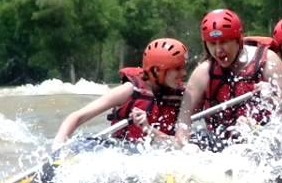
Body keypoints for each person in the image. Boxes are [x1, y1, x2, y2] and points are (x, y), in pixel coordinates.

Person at [175, 8, 282, 146]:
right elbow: (183, 124)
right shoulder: (202, 74)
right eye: (213, 44)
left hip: (265, 141)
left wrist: (274, 98)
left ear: (238, 40)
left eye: (224, 42)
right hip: (220, 147)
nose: (218, 50)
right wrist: (187, 148)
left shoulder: (268, 61)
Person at [52, 38, 188, 148]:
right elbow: (76, 117)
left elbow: (179, 145)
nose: (184, 73)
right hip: (122, 152)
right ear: (157, 71)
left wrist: (147, 128)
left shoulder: (182, 96)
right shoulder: (129, 90)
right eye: (177, 69)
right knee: (84, 143)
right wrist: (57, 148)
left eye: (183, 68)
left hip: (155, 157)